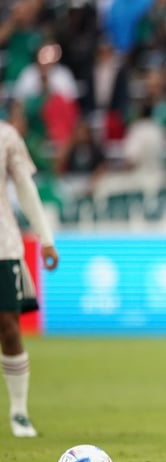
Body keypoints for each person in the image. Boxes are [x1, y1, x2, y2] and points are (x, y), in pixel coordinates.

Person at [0, 119, 59, 437]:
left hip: (3, 245)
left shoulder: (6, 135)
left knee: (9, 328)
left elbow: (24, 187)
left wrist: (45, 237)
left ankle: (19, 412)